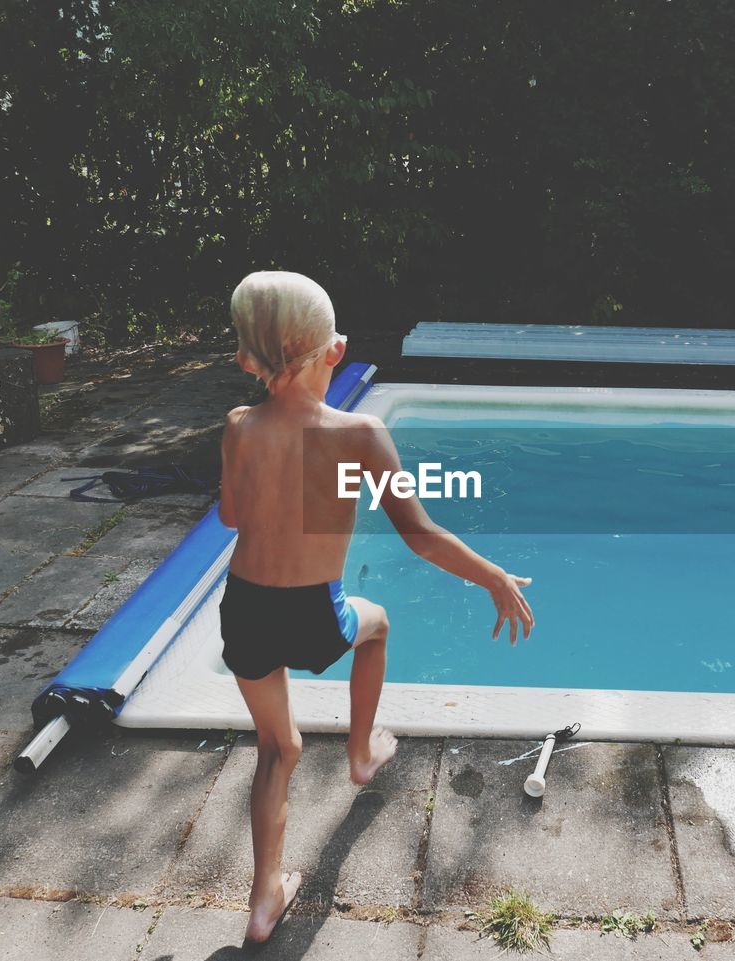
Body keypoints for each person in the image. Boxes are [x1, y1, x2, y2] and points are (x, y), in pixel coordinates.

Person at [217, 270, 535, 943]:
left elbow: (229, 514)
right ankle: (361, 751)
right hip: (310, 613)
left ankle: (262, 898)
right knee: (377, 623)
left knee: (278, 747)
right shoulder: (358, 434)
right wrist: (492, 577)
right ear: (331, 353)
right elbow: (420, 535)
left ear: (252, 359)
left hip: (244, 609)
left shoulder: (239, 426)